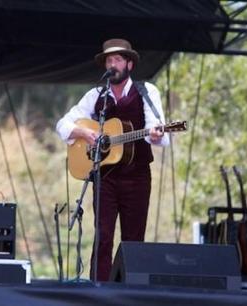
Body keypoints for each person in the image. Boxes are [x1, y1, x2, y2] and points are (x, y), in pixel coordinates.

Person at [56, 38, 169, 281]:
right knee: (103, 236)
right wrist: (85, 133)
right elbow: (63, 124)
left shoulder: (147, 92)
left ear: (129, 64)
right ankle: (100, 289)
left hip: (137, 177)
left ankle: (131, 291)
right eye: (109, 60)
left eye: (118, 59)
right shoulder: (96, 95)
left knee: (133, 239)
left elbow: (156, 132)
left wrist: (156, 134)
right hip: (104, 177)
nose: (112, 64)